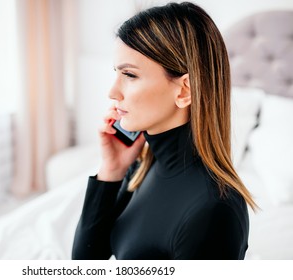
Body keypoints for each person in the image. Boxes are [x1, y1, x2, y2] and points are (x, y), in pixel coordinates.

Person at [72, 2, 256, 260]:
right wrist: (111, 171)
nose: (112, 92)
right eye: (117, 72)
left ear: (184, 91)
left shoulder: (213, 211)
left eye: (130, 75)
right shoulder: (144, 167)